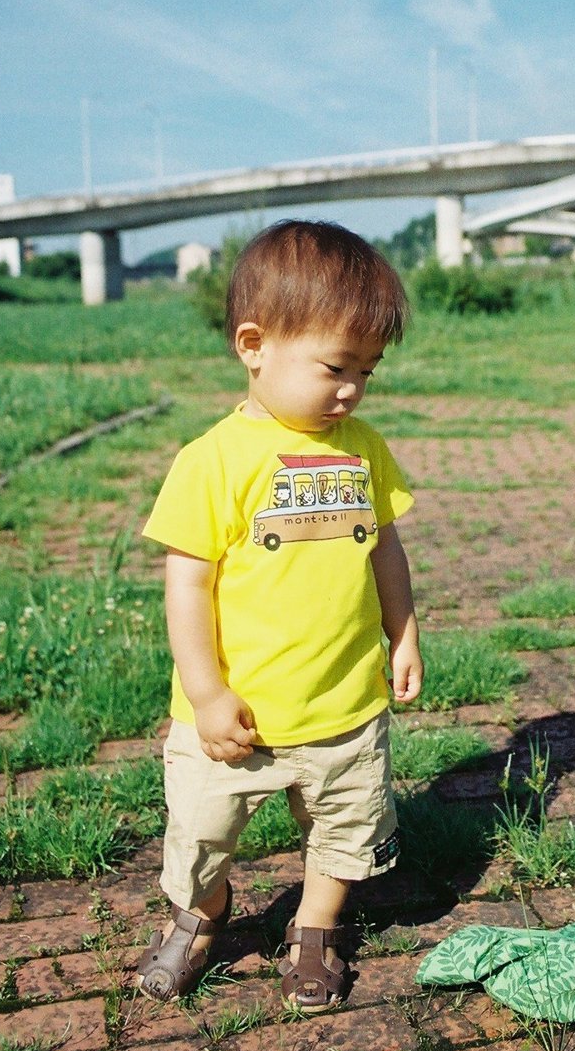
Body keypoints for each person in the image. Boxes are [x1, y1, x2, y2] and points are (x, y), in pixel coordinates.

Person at [136, 220, 423, 1010]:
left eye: (368, 369)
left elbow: (384, 551)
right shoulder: (213, 460)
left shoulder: (361, 447)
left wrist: (403, 632)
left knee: (346, 824)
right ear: (254, 344)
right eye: (336, 366)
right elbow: (187, 585)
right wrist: (205, 692)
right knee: (198, 834)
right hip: (234, 717)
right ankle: (204, 913)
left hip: (342, 703)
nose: (352, 389)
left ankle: (317, 927)